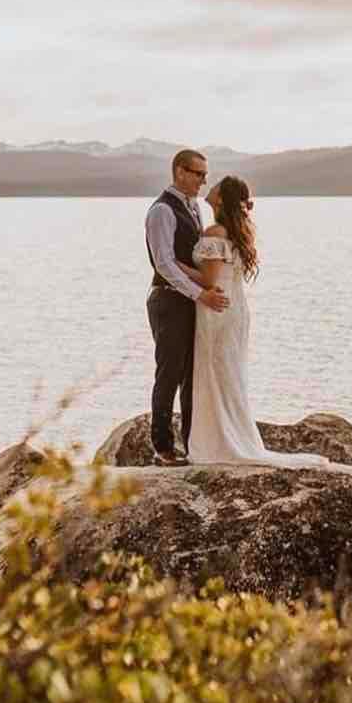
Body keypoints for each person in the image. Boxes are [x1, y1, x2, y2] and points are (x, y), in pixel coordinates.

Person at [179, 174, 352, 471]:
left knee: (214, 374)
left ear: (221, 198)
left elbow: (209, 280)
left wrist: (175, 267)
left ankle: (219, 442)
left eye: (215, 186)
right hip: (233, 310)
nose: (208, 186)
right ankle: (227, 437)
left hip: (216, 311)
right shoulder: (233, 232)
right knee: (227, 375)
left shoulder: (215, 231)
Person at [144, 149, 229, 467]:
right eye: (198, 174)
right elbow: (164, 264)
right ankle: (163, 447)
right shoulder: (162, 211)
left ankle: (194, 443)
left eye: (206, 175)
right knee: (170, 372)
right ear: (180, 172)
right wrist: (200, 294)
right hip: (168, 300)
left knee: (192, 374)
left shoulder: (193, 207)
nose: (203, 182)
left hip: (190, 302)